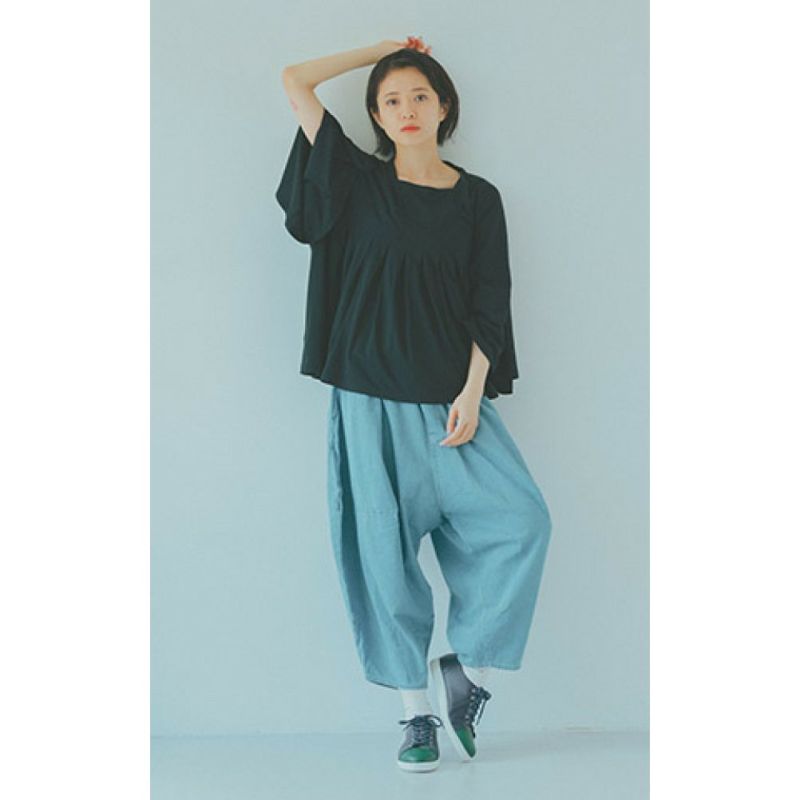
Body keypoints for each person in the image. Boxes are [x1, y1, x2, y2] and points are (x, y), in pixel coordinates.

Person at [276, 36, 552, 772]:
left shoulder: (478, 199)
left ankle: (467, 673)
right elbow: (295, 79)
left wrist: (472, 391)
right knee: (383, 558)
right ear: (375, 114)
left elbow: (491, 299)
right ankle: (414, 715)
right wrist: (385, 49)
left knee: (522, 521)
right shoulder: (356, 181)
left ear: (444, 107)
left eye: (420, 96)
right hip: (367, 397)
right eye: (390, 99)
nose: (406, 109)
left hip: (450, 403)